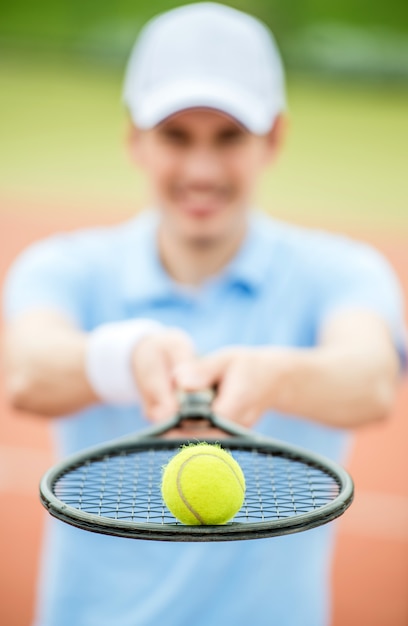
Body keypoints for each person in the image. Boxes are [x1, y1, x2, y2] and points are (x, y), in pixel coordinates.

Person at [2, 3, 406, 625]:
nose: (201, 170)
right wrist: (126, 357)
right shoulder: (63, 266)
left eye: (228, 137)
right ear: (133, 137)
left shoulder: (343, 270)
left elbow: (372, 379)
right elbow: (29, 372)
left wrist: (272, 375)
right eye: (175, 136)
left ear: (274, 136)